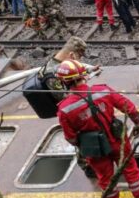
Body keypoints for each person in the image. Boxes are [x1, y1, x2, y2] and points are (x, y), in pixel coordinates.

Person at [56, 60, 139, 198]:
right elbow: (129, 108)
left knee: (105, 178)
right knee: (130, 171)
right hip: (117, 140)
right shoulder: (102, 90)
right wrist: (137, 122)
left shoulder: (64, 109)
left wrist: (85, 143)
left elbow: (71, 138)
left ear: (63, 82)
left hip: (94, 148)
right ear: (82, 76)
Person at [37, 37, 98, 178]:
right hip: (70, 113)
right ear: (71, 55)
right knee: (83, 139)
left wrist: (87, 72)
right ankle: (88, 167)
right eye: (79, 56)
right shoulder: (52, 74)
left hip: (72, 107)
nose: (80, 59)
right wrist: (82, 83)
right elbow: (66, 98)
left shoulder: (58, 64)